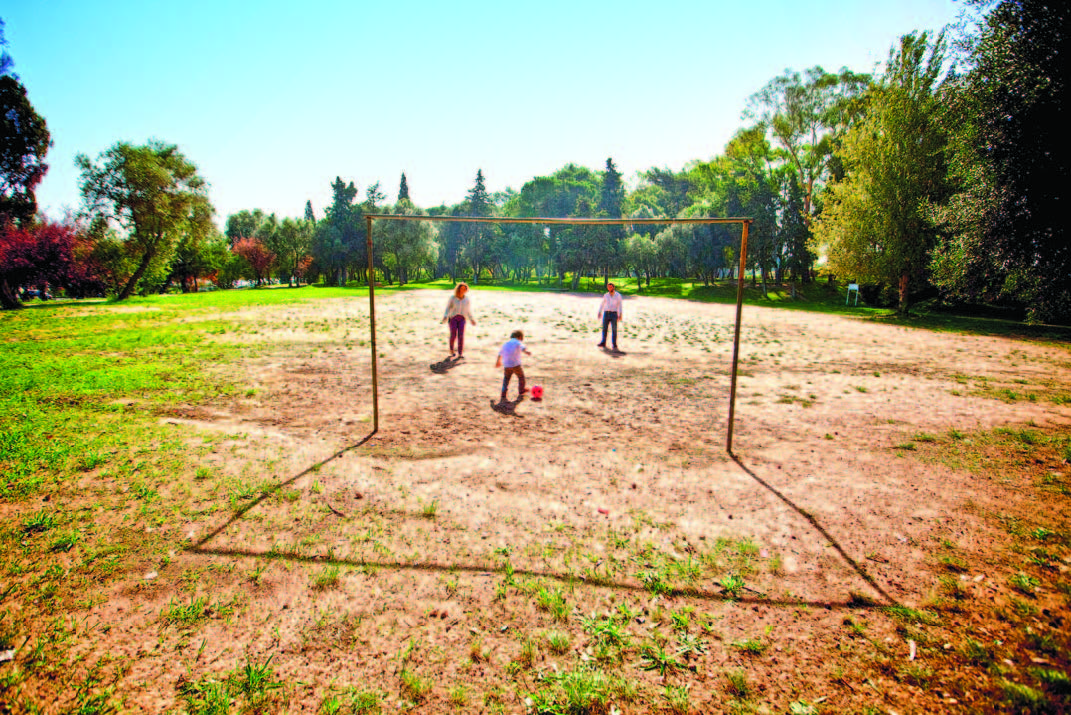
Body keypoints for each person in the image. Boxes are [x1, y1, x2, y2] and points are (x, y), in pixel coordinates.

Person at [495, 330, 531, 403]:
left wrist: (498, 362)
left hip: (507, 365)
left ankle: (503, 394)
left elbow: (500, 353)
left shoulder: (505, 344)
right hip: (515, 364)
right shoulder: (517, 342)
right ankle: (521, 390)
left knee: (506, 379)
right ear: (520, 337)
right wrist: (526, 352)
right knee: (521, 377)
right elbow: (522, 347)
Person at [442, 283, 476, 358]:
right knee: (453, 335)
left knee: (461, 336)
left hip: (462, 319)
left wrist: (471, 319)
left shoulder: (466, 299)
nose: (463, 290)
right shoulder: (453, 298)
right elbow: (448, 308)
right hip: (453, 318)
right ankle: (451, 350)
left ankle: (460, 352)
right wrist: (445, 316)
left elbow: (468, 310)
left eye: (465, 289)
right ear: (458, 289)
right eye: (462, 288)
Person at [596, 282, 623, 350]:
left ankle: (614, 344)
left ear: (613, 287)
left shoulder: (618, 295)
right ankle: (603, 342)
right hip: (606, 313)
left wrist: (620, 314)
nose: (609, 288)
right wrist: (600, 311)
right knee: (604, 328)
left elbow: (620, 305)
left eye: (611, 287)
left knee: (614, 329)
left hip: (614, 313)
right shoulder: (606, 295)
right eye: (608, 287)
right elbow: (602, 304)